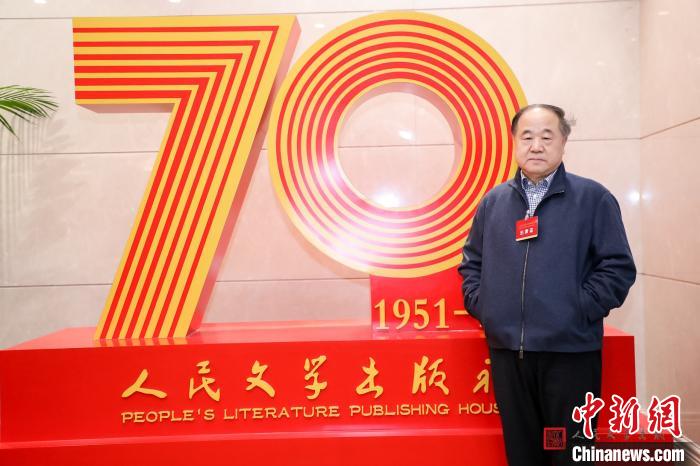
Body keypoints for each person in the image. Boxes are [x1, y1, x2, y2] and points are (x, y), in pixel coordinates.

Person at [458, 104, 636, 466]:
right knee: (523, 453)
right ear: (514, 143)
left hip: (569, 356)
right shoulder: (493, 202)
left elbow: (617, 268)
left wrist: (578, 310)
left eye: (546, 136)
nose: (536, 146)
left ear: (563, 142)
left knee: (568, 452)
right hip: (509, 355)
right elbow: (472, 264)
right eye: (527, 137)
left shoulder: (593, 199)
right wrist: (487, 307)